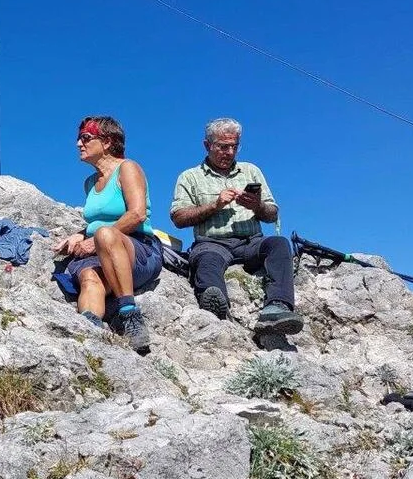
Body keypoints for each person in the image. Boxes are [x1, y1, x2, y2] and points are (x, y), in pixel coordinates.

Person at [170, 117, 303, 335]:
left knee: (279, 244)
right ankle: (216, 308)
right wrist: (215, 205)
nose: (229, 152)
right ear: (207, 145)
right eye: (223, 146)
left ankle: (278, 307)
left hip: (252, 242)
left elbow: (272, 214)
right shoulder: (189, 177)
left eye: (234, 146)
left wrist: (257, 206)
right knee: (206, 260)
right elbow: (179, 218)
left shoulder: (251, 171)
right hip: (211, 243)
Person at [53, 116, 162, 353]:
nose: (78, 144)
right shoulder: (90, 183)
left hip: (138, 249)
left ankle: (129, 314)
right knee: (89, 279)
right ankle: (90, 333)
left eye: (86, 138)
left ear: (107, 142)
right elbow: (98, 222)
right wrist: (80, 235)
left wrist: (95, 239)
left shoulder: (128, 168)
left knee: (105, 235)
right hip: (101, 250)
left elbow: (137, 214)